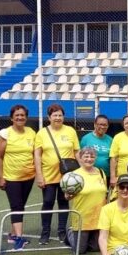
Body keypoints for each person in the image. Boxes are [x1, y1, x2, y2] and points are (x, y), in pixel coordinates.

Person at [34, 103, 80, 245]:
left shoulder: (70, 131)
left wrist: (82, 171)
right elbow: (37, 155)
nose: (58, 118)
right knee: (47, 202)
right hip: (48, 175)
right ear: (49, 117)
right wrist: (39, 175)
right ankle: (45, 232)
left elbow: (77, 151)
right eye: (55, 115)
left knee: (63, 202)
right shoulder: (42, 133)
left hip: (66, 176)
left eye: (60, 115)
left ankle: (61, 231)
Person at [0, 104, 36, 250]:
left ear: (26, 117)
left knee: (20, 206)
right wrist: (0, 177)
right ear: (12, 117)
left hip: (29, 177)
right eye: (17, 115)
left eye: (22, 115)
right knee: (16, 206)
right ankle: (19, 238)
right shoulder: (5, 133)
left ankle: (13, 235)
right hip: (11, 177)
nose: (20, 117)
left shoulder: (31, 132)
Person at [65, 147, 107, 254]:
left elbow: (105, 194)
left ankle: (87, 238)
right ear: (80, 158)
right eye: (86, 156)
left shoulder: (101, 173)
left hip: (98, 217)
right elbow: (67, 197)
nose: (89, 159)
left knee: (96, 248)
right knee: (80, 250)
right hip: (82, 217)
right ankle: (70, 232)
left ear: (95, 158)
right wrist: (69, 195)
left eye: (92, 156)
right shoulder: (74, 175)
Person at [80, 115, 112, 179]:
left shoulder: (110, 140)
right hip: (89, 175)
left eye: (105, 125)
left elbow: (112, 158)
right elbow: (80, 156)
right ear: (95, 125)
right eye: (100, 124)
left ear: (108, 126)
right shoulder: (86, 139)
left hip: (106, 175)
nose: (102, 127)